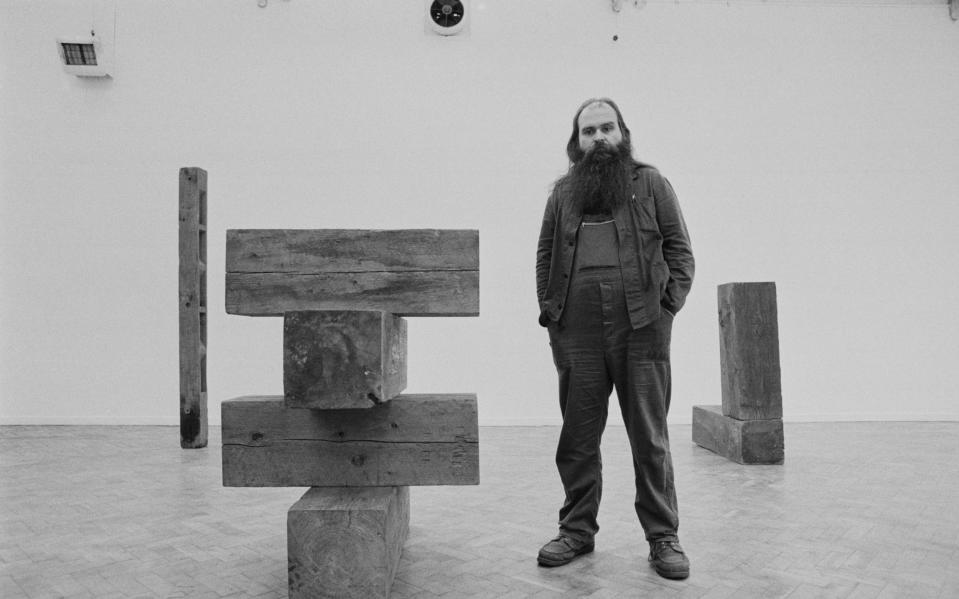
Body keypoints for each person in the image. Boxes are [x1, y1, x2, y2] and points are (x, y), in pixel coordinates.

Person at [535, 98, 694, 580]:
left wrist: (665, 310)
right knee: (578, 437)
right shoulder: (563, 193)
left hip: (641, 326)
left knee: (649, 438)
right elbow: (545, 255)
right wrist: (552, 312)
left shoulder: (651, 183)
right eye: (588, 131)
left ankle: (663, 536)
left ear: (622, 133)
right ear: (576, 142)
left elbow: (680, 250)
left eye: (606, 128)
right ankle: (576, 531)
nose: (598, 138)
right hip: (576, 329)